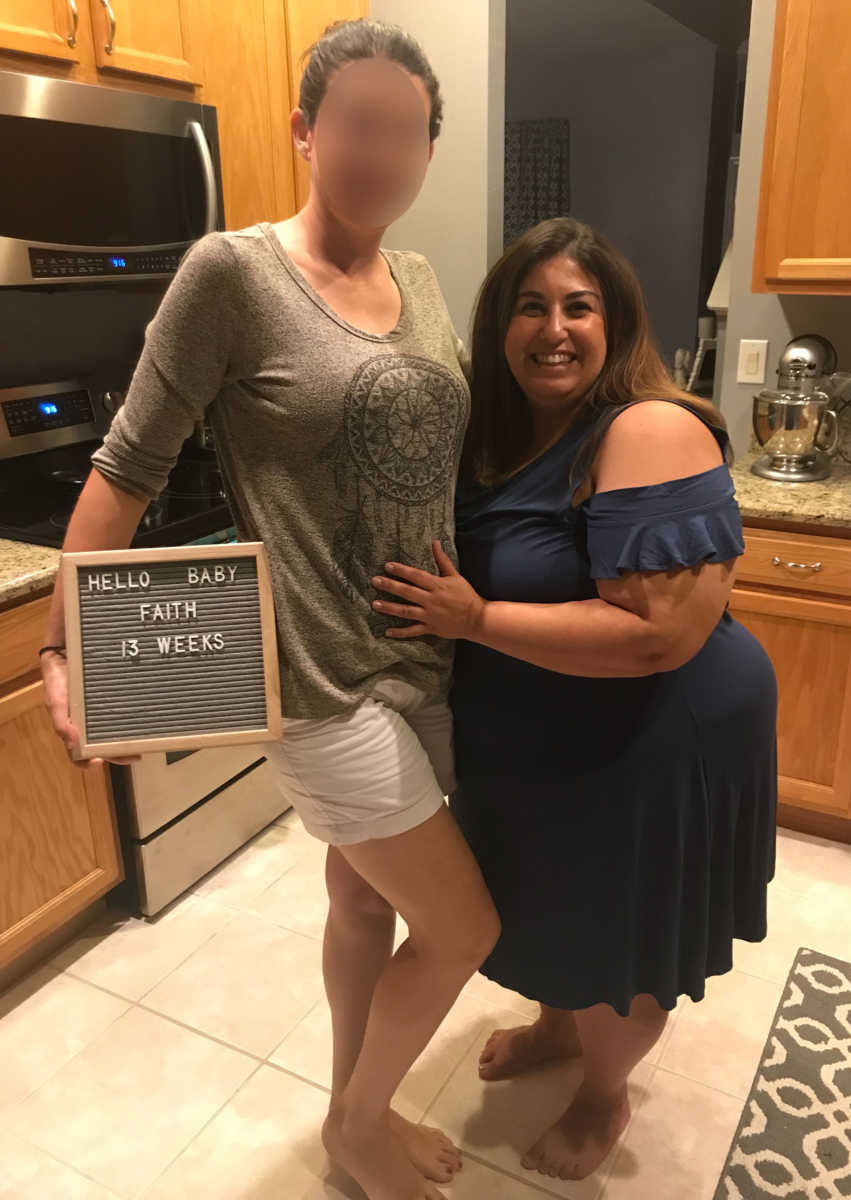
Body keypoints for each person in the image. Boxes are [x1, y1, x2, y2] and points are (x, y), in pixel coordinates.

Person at [40, 19, 500, 1200]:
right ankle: (359, 1132)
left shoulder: (422, 277)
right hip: (318, 677)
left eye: (405, 132)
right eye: (357, 125)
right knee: (463, 931)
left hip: (423, 661)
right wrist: (62, 641)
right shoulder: (233, 274)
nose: (381, 152)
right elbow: (127, 466)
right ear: (305, 131)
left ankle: (361, 1115)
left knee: (358, 898)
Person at [370, 217, 778, 1184]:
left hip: (649, 735)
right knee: (541, 905)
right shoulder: (496, 435)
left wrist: (474, 620)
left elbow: (657, 636)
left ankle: (605, 1091)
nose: (554, 328)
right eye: (530, 306)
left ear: (617, 322)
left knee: (617, 925)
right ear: (497, 325)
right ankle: (560, 1031)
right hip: (536, 733)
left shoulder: (651, 428)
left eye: (578, 307)